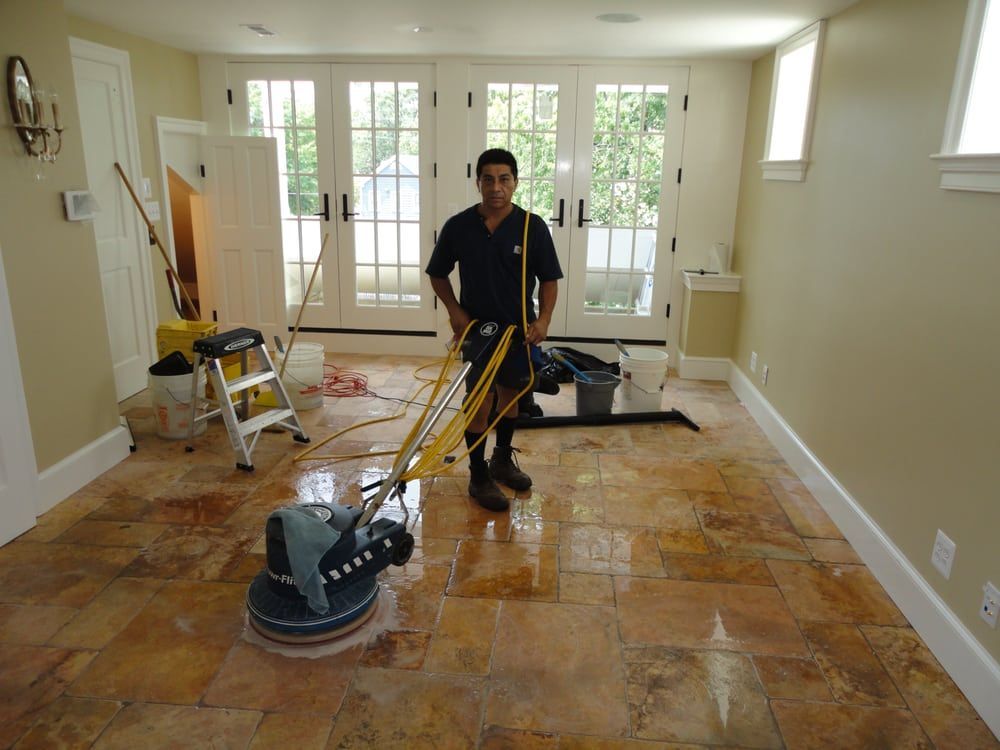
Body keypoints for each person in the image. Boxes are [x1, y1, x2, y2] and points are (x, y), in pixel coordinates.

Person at [426, 149, 563, 511]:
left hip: (518, 331)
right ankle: (477, 475)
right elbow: (437, 273)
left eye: (504, 179)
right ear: (478, 183)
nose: (496, 187)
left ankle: (501, 460)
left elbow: (550, 279)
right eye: (489, 179)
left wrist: (544, 319)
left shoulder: (532, 226)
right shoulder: (459, 226)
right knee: (479, 400)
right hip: (478, 331)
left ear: (515, 183)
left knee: (511, 396)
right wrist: (455, 311)